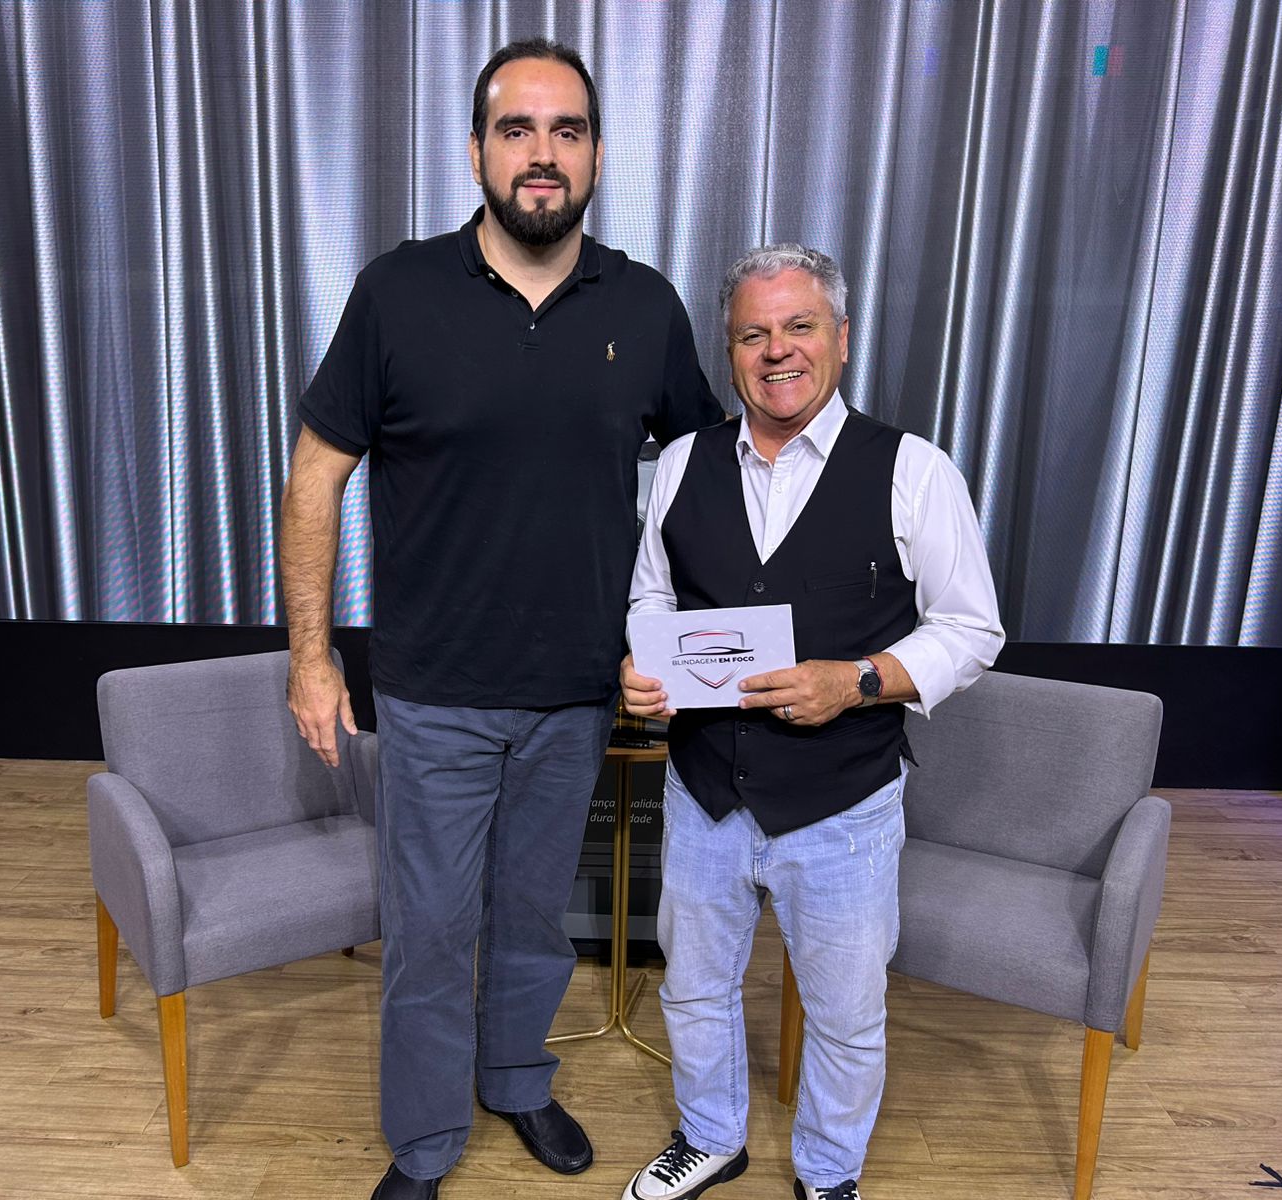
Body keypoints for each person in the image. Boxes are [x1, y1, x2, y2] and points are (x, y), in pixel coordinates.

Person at [279, 38, 722, 1200]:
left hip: (575, 692)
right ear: (475, 150)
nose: (541, 154)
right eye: (515, 130)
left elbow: (705, 488)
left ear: (596, 156)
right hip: (434, 687)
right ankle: (425, 1143)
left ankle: (517, 1079)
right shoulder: (397, 292)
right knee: (429, 931)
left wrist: (679, 649)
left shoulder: (644, 305)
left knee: (532, 918)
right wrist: (312, 659)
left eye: (565, 131)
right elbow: (316, 473)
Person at [619, 244, 1004, 1200]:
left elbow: (972, 629)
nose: (776, 351)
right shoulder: (680, 463)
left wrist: (863, 680)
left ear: (841, 337)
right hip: (703, 789)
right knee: (693, 988)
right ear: (730, 350)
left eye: (799, 327)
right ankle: (711, 1138)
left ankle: (830, 1175)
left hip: (844, 805)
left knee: (845, 1014)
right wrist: (645, 664)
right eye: (753, 334)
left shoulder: (914, 471)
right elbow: (652, 597)